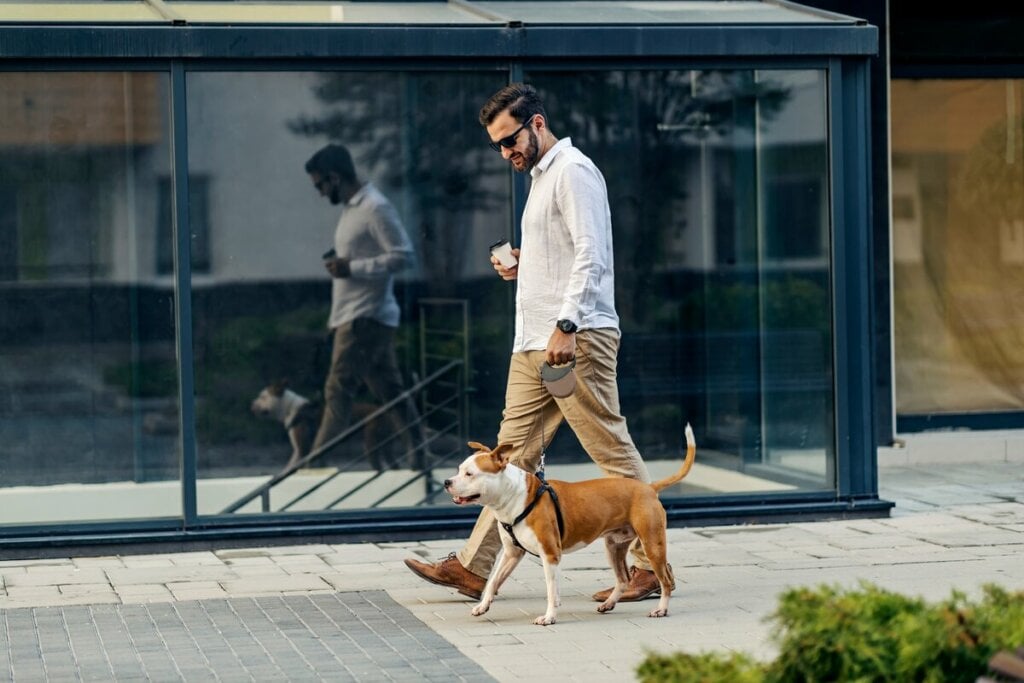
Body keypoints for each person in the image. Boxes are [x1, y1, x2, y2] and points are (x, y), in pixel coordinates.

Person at [404, 84, 664, 603]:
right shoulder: (541, 180)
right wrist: (527, 263)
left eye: (511, 140)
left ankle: (647, 564)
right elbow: (565, 253)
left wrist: (567, 324)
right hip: (533, 340)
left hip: (576, 336)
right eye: (498, 146)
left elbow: (592, 253)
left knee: (609, 447)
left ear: (538, 123)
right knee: (509, 453)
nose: (506, 153)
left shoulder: (573, 171)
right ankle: (474, 568)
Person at [305, 143, 424, 470]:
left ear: (334, 177)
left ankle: (312, 466)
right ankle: (420, 457)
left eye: (320, 185)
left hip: (365, 317)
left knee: (337, 390)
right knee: (391, 390)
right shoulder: (353, 209)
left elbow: (404, 256)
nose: (319, 193)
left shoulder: (375, 207)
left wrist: (353, 268)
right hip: (357, 315)